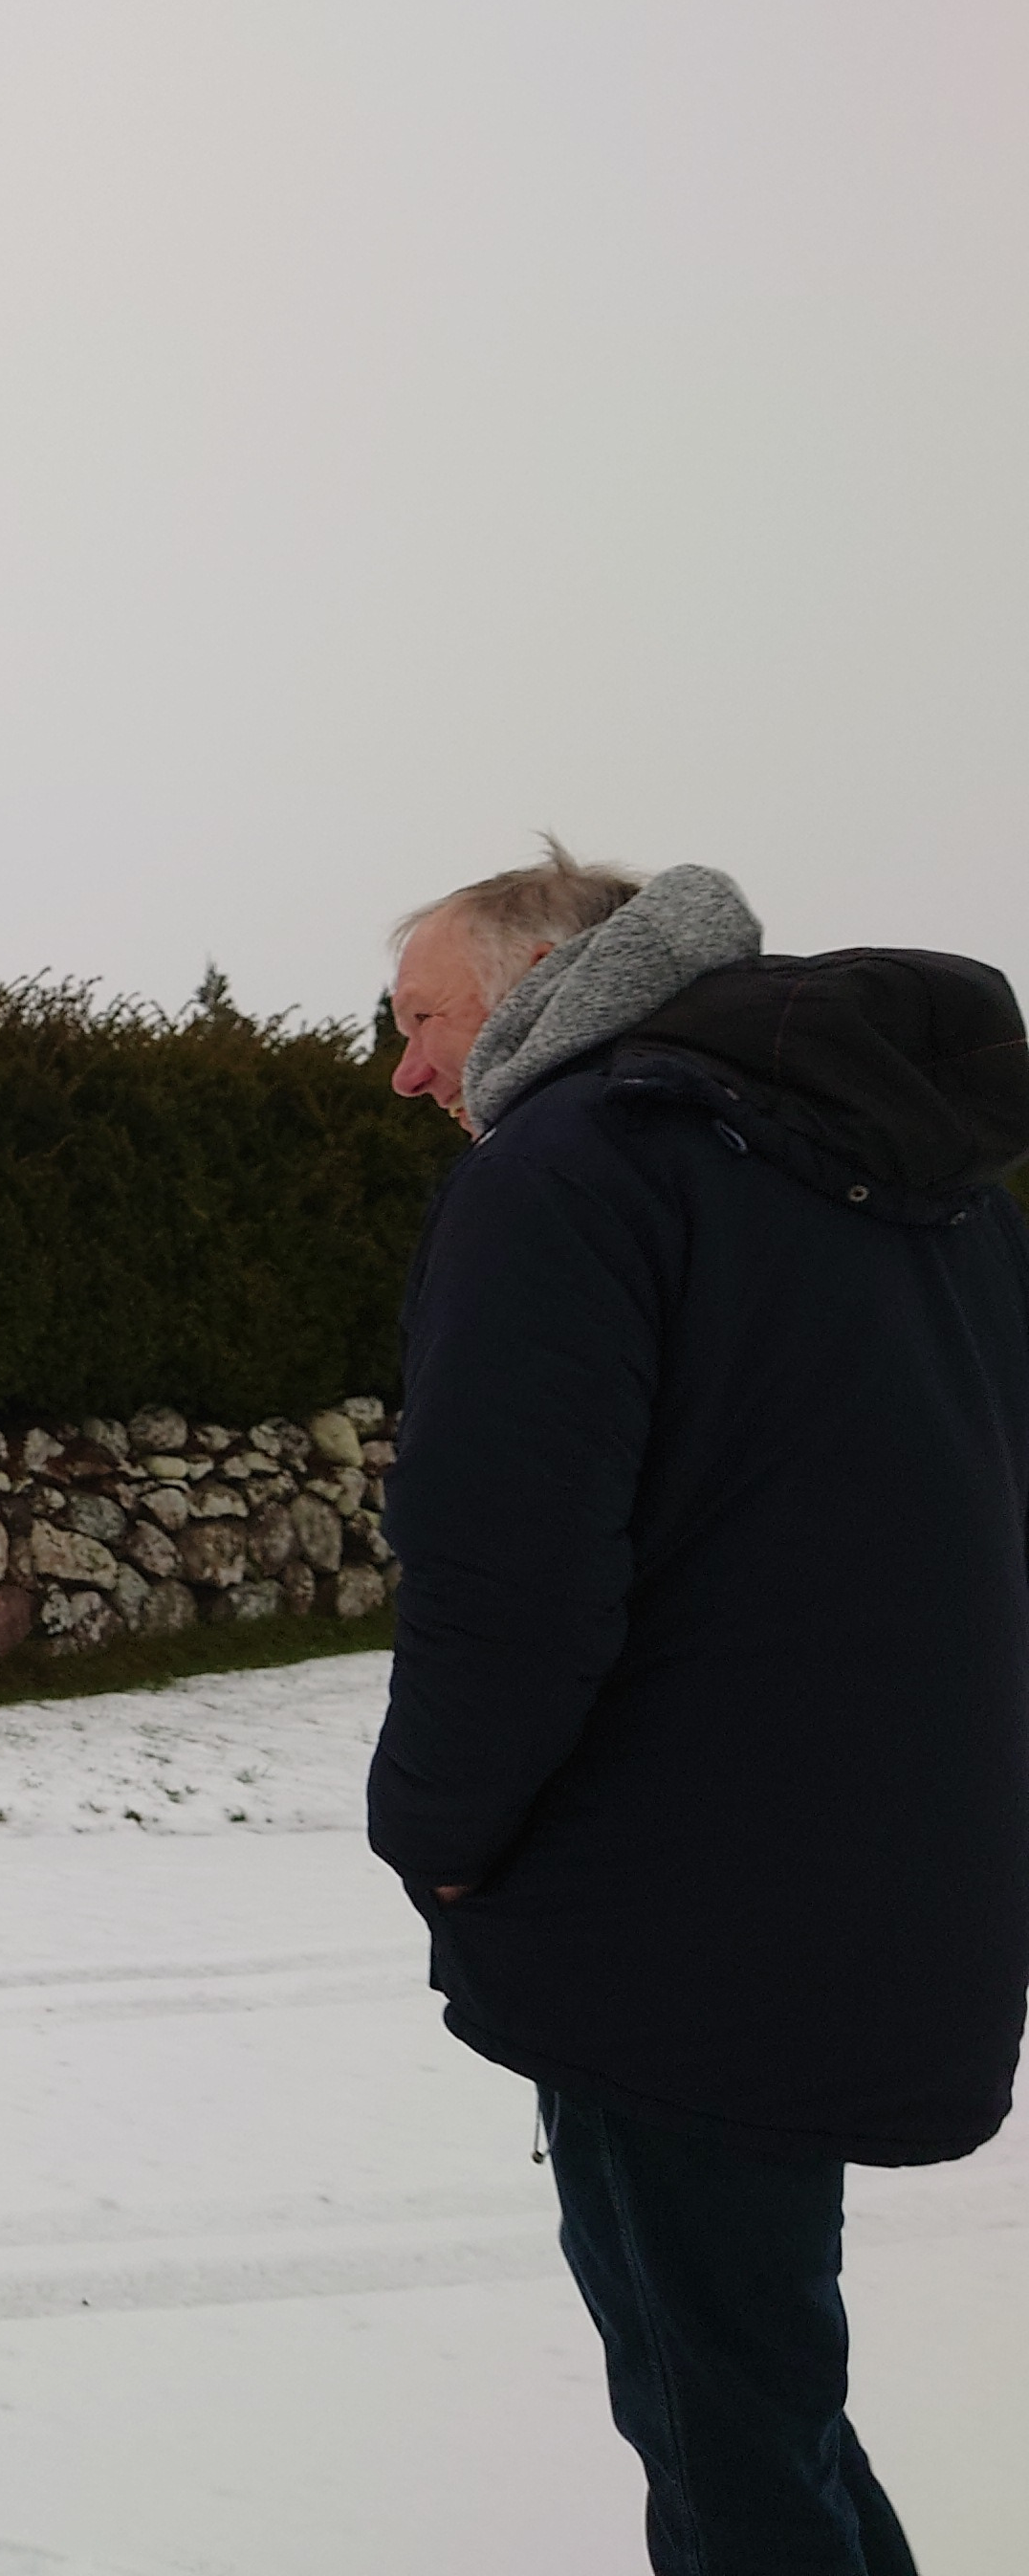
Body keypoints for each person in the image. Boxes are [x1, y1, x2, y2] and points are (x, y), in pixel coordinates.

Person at [371, 845, 1029, 2575]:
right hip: (888, 1873)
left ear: (529, 983)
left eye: (420, 1019)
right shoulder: (915, 1177)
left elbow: (504, 1578)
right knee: (757, 2388)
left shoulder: (572, 1170)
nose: (404, 1071)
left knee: (721, 2421)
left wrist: (435, 1835)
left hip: (668, 1923)